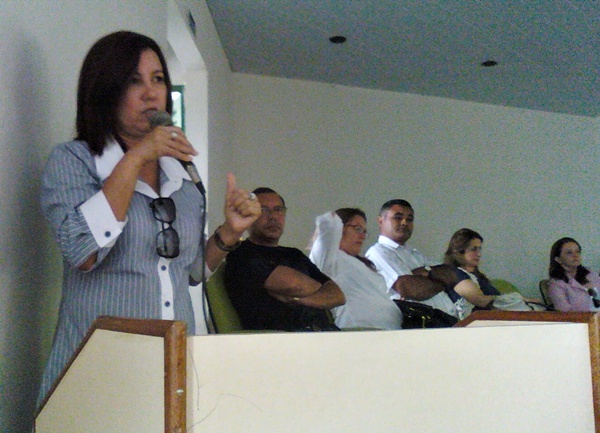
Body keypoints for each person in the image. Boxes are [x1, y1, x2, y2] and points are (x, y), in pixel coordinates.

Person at [38, 31, 261, 406]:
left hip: (171, 373)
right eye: (133, 81)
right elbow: (82, 251)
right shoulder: (73, 161)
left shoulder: (182, 175)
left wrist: (229, 232)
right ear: (105, 90)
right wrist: (136, 157)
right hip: (97, 376)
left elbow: (190, 272)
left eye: (158, 79)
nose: (151, 93)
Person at [224, 188, 346, 331]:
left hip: (323, 333)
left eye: (278, 210)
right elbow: (294, 284)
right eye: (263, 210)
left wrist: (300, 300)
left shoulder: (294, 254)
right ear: (249, 216)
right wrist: (320, 292)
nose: (273, 217)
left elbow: (338, 296)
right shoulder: (241, 253)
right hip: (279, 338)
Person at [309, 209, 402, 330]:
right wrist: (335, 219)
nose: (362, 236)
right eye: (358, 229)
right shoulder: (328, 258)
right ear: (341, 228)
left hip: (391, 329)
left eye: (364, 232)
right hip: (359, 329)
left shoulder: (366, 265)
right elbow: (328, 225)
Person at [365, 199, 459, 316]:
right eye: (398, 217)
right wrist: (441, 282)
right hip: (417, 323)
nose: (404, 222)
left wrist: (426, 272)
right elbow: (410, 289)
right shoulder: (378, 252)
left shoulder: (414, 254)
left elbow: (450, 273)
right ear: (381, 221)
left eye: (409, 219)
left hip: (446, 321)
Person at [548, 237, 600, 312]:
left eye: (577, 251)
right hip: (583, 318)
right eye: (569, 253)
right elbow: (565, 313)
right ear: (558, 259)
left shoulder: (591, 274)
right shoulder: (556, 284)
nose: (575, 255)